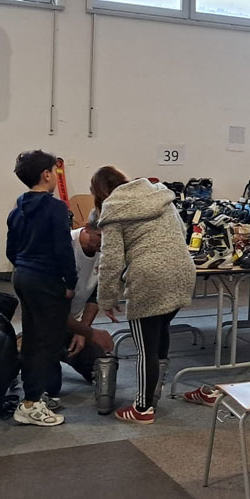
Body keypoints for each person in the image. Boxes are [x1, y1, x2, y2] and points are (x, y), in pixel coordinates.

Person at [92, 166, 195, 424]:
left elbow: (111, 260)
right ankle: (155, 394)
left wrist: (106, 299)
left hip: (148, 278)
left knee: (145, 347)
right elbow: (182, 231)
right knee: (160, 331)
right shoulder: (159, 193)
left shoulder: (113, 207)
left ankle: (142, 408)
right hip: (182, 270)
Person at [6, 150, 76, 427]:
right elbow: (63, 249)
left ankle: (33, 396)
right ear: (47, 174)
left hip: (22, 276)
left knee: (32, 337)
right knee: (47, 342)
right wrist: (70, 282)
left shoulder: (17, 209)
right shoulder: (55, 209)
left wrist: (26, 266)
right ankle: (31, 402)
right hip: (46, 279)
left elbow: (11, 250)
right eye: (54, 172)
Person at [63, 215, 116, 404]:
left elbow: (94, 295)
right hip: (50, 320)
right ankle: (22, 346)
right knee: (50, 385)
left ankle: (65, 350)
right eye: (100, 236)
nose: (104, 242)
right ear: (86, 228)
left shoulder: (105, 251)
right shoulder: (66, 245)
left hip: (74, 323)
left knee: (103, 366)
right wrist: (88, 332)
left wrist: (82, 331)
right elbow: (54, 307)